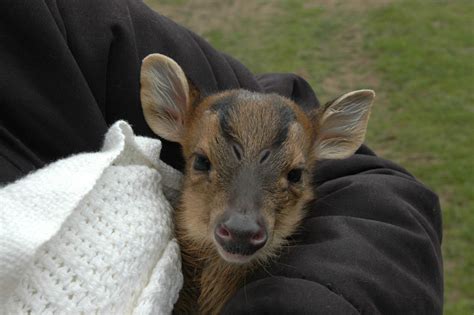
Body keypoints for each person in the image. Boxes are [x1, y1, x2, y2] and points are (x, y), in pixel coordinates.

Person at [0, 0, 443, 313]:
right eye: (205, 164)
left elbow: (381, 192)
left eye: (291, 176)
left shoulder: (55, 18)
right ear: (171, 115)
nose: (244, 218)